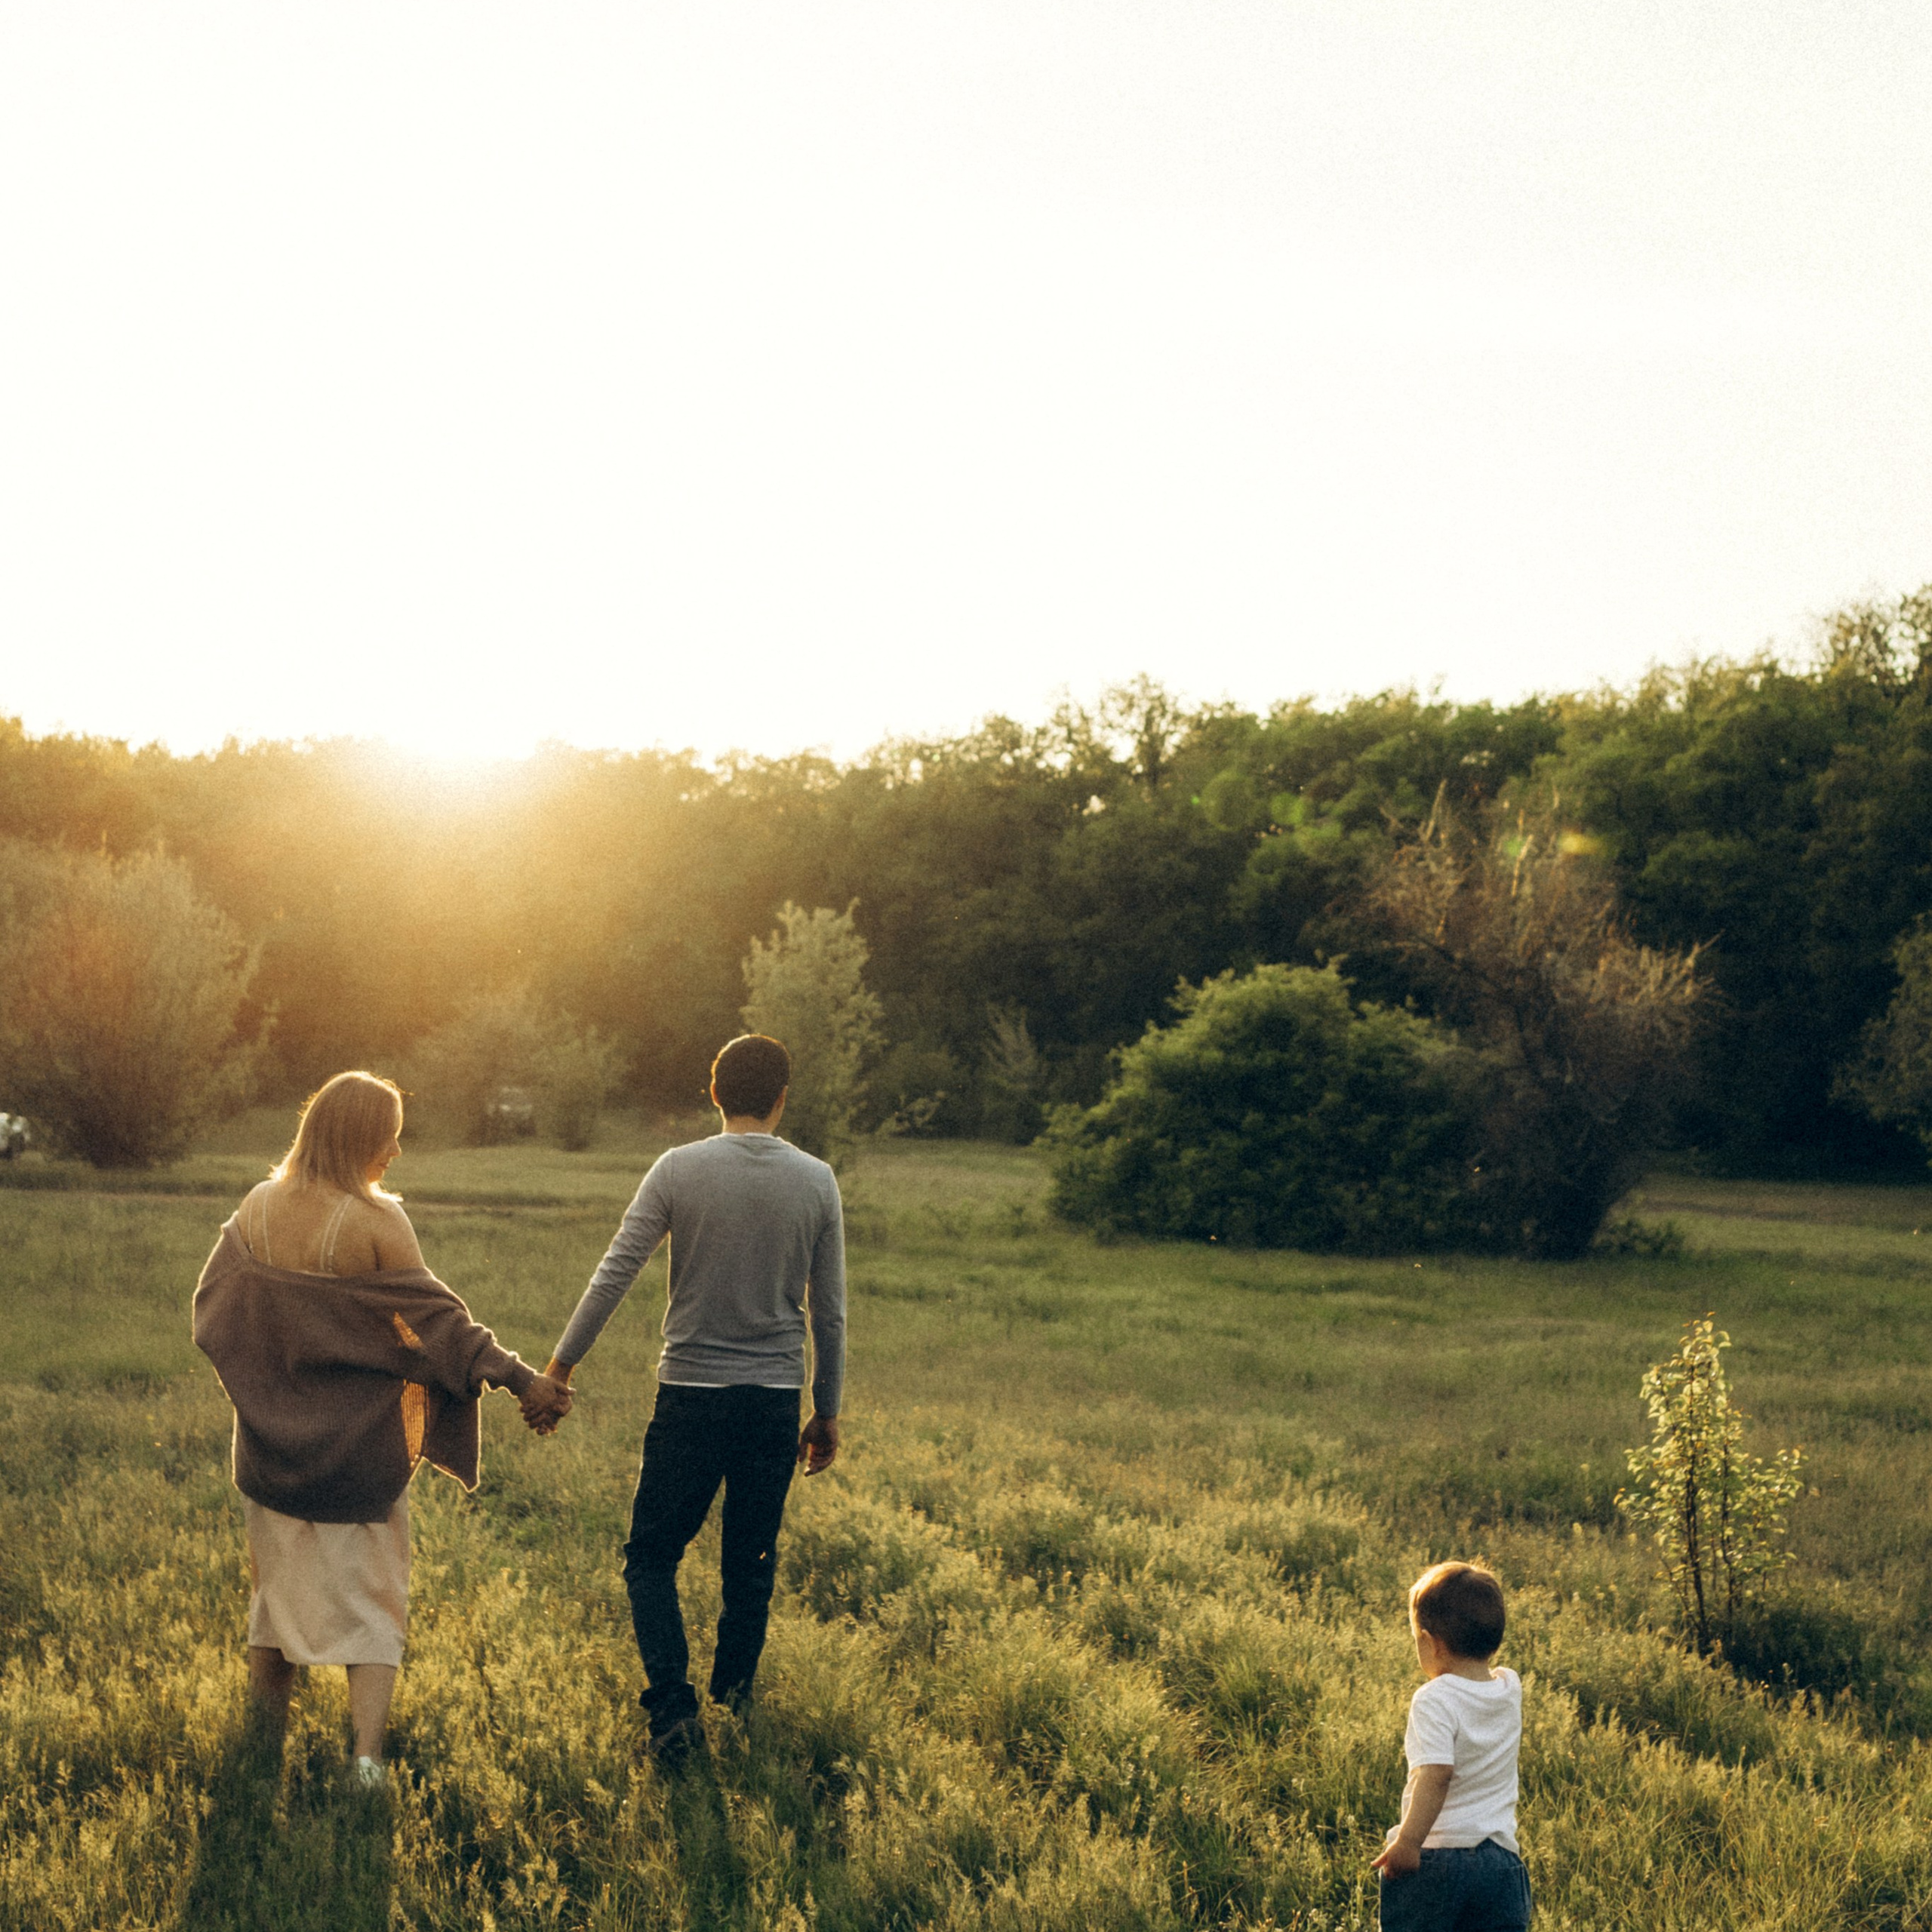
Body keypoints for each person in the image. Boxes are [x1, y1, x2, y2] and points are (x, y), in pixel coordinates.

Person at [192, 1071, 571, 1786]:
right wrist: (527, 1382)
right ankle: (365, 1764)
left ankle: (261, 1746)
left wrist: (267, 1389)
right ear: (361, 1136)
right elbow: (444, 1328)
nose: (397, 1148)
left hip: (269, 1453)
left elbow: (211, 1312)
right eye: (389, 1133)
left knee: (275, 1596)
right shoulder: (376, 1222)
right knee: (372, 1600)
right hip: (358, 1453)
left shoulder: (256, 1207)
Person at [543, 1032, 846, 1763]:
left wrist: (560, 1368)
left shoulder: (677, 1169)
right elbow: (829, 1310)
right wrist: (826, 1408)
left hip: (690, 1397)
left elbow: (614, 1271)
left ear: (714, 1094)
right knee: (750, 1561)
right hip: (773, 1400)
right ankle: (734, 1698)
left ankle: (673, 1712)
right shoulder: (817, 1180)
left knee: (651, 1555)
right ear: (780, 1098)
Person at [1371, 1561, 1531, 1930]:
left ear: (1431, 1643)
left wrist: (1409, 1843)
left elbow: (1437, 1774)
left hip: (1438, 1860)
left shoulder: (1434, 1698)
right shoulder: (1510, 1688)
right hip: (1502, 1865)